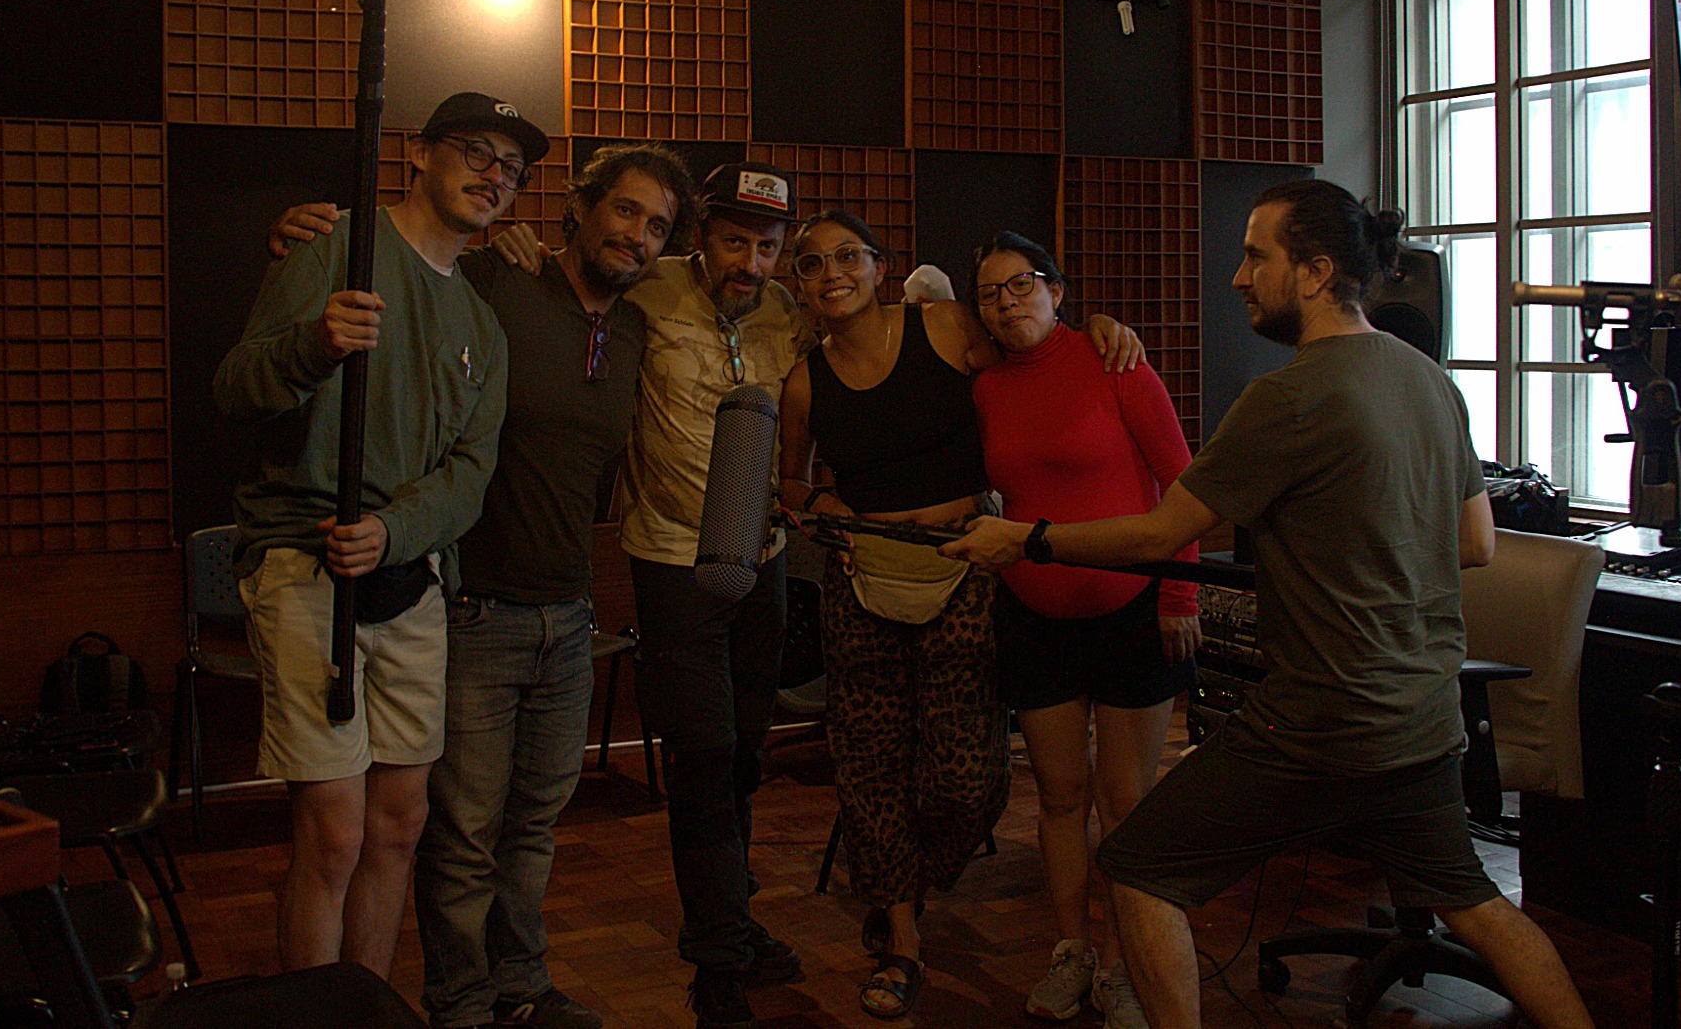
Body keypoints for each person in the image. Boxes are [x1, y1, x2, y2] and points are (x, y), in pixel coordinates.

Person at [942, 180, 1597, 1029]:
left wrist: (1026, 539)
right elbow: (1476, 541)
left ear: (1316, 272)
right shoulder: (1429, 379)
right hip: (1423, 714)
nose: (1240, 277)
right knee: (1473, 902)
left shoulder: (1287, 398)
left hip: (1322, 718)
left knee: (1139, 867)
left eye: (1257, 257)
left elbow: (1162, 531)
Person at [269, 141, 699, 1028]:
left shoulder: (635, 327)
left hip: (569, 613)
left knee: (534, 825)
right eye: (624, 210)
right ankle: (459, 1000)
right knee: (461, 832)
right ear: (579, 208)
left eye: (658, 226)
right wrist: (309, 233)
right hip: (472, 605)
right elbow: (404, 257)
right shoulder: (499, 282)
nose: (638, 234)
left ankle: (519, 984)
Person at [776, 211, 1143, 1021]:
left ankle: (901, 884)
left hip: (965, 573)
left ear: (880, 266)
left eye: (848, 256)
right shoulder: (804, 381)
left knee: (972, 780)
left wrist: (1099, 329)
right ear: (797, 285)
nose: (832, 273)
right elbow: (792, 481)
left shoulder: (943, 326)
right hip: (862, 583)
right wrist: (826, 507)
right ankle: (903, 943)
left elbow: (1032, 350)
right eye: (811, 263)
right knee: (869, 772)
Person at [213, 91, 527, 980]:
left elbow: (470, 472)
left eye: (511, 168)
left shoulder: (483, 324)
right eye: (476, 151)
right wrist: (314, 347)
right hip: (306, 562)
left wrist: (394, 530)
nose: (493, 176)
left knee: (398, 824)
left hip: (408, 575)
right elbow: (235, 389)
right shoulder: (334, 245)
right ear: (421, 152)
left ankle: (369, 1003)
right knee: (335, 833)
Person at [491, 161, 809, 1029]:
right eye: (734, 241)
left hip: (766, 560)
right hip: (673, 563)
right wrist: (515, 242)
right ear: (701, 237)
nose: (749, 262)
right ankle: (717, 967)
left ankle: (729, 917)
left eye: (767, 247)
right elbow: (570, 276)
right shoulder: (650, 287)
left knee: (744, 757)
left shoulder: (788, 310)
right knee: (702, 757)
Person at [968, 231, 1200, 1029]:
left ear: (1056, 291)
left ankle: (1129, 966)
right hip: (1034, 615)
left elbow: (1183, 484)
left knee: (1125, 799)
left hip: (1133, 607)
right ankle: (1072, 952)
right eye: (990, 292)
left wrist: (1179, 596)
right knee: (1061, 795)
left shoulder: (1115, 361)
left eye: (1022, 283)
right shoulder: (985, 387)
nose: (1008, 301)